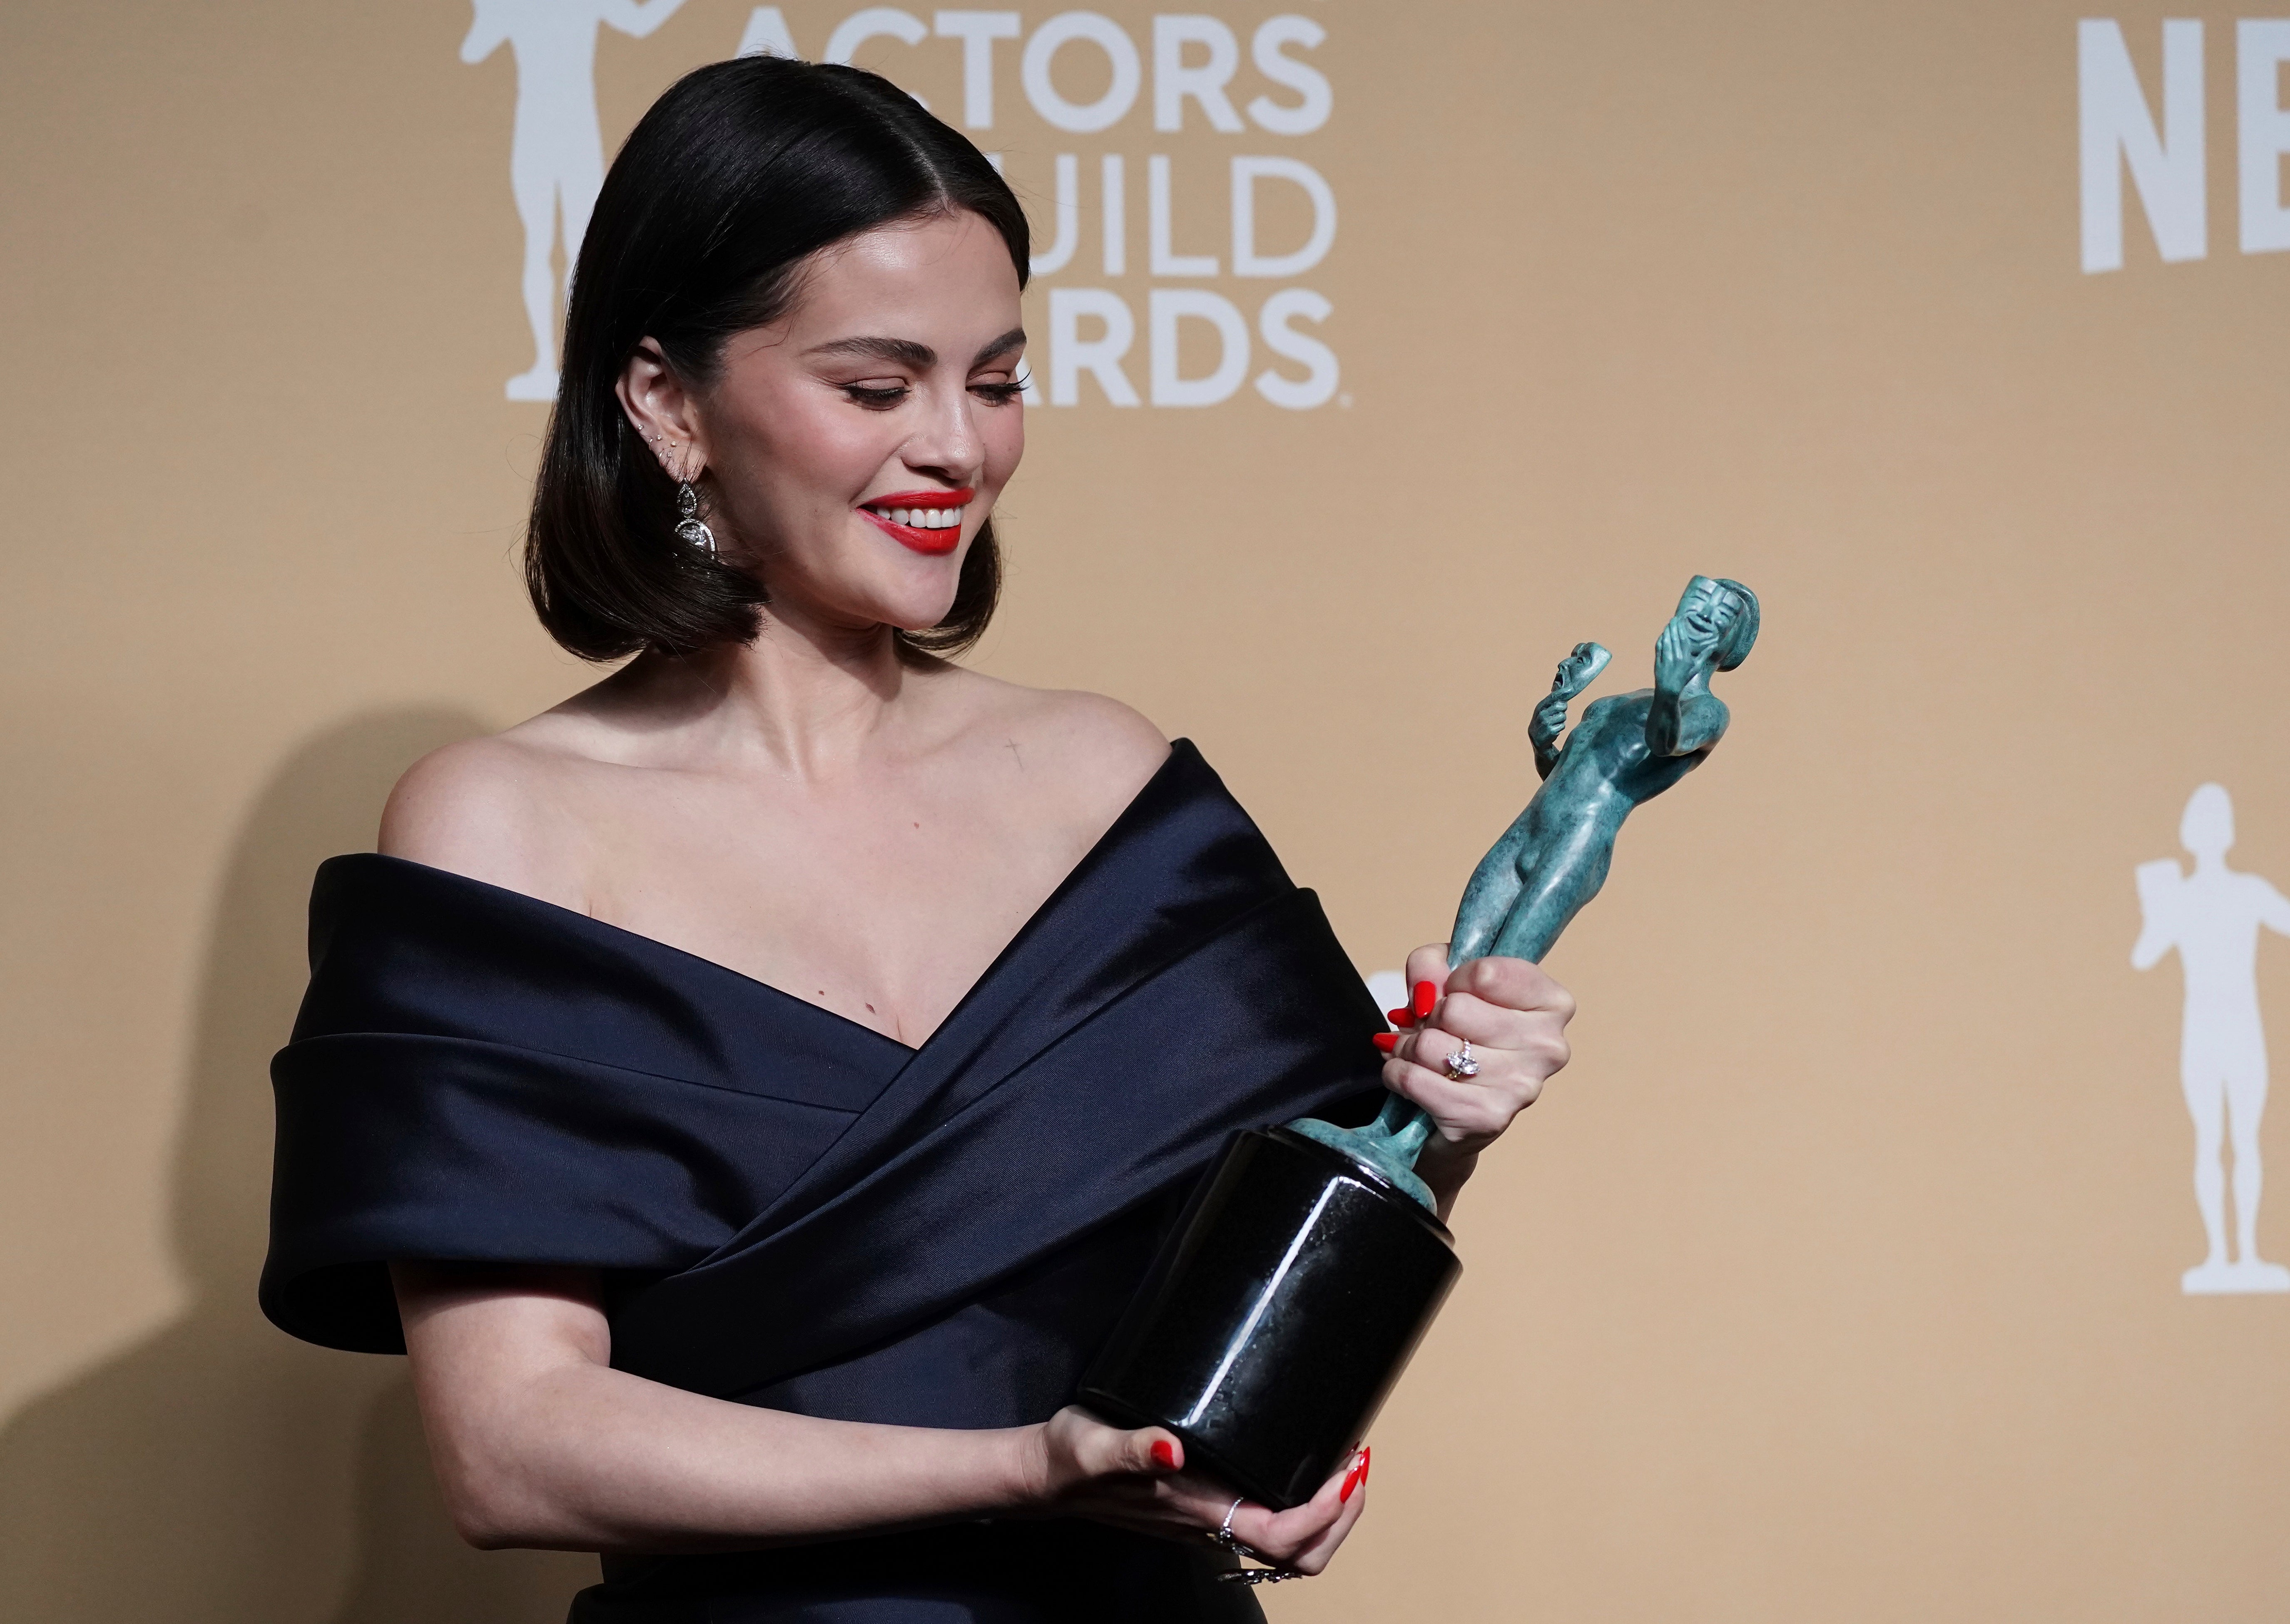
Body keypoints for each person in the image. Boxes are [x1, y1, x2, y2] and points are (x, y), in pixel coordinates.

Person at [260, 56, 1575, 1622]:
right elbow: (512, 1451)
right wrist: (1031, 1464)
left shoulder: (1108, 776)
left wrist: (1442, 1127)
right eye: (877, 387)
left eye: (997, 381)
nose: (959, 448)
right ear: (667, 399)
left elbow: (1254, 1314)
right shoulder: (503, 822)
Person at [2132, 783, 2290, 1293]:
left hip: (2230, 1027)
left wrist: (2160, 910)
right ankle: (2225, 1255)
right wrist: (2157, 908)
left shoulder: (2240, 891)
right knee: (2222, 1141)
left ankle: (2238, 1254)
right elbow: (2143, 955)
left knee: (2236, 1141)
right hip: (2213, 1029)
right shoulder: (2199, 895)